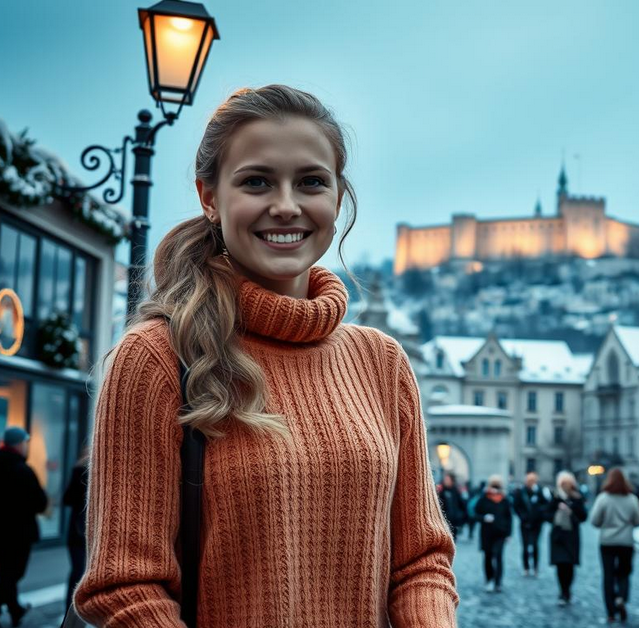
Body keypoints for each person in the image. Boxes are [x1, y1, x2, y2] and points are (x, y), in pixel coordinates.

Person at [73, 85, 458, 626]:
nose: (285, 205)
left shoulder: (382, 362)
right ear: (210, 197)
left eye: (311, 182)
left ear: (338, 198)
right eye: (256, 181)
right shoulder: (157, 356)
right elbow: (126, 584)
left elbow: (420, 560)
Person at [0, 427, 47, 628]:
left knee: (5, 574)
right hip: (19, 533)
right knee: (12, 575)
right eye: (25, 443)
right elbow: (40, 503)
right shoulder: (23, 470)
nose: (26, 447)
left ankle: (15, 609)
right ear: (18, 444)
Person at [590, 468, 639, 623]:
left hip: (607, 541)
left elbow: (594, 521)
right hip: (626, 542)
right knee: (624, 573)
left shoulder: (603, 498)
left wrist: (606, 523)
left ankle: (611, 612)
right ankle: (621, 597)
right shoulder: (632, 499)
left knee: (608, 575)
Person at [546, 470, 587, 605]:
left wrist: (571, 511)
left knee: (569, 565)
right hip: (558, 536)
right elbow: (546, 514)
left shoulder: (577, 498)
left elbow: (583, 516)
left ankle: (567, 590)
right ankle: (562, 592)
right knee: (560, 565)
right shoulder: (555, 497)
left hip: (571, 536)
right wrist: (557, 511)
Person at [475, 475, 513, 592]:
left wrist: (509, 534)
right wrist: (484, 518)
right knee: (487, 557)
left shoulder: (505, 500)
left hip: (500, 533)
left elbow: (509, 517)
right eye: (493, 486)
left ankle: (498, 582)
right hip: (487, 533)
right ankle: (489, 579)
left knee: (498, 556)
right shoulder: (484, 498)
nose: (495, 489)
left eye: (497, 487)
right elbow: (475, 514)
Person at [62, 449, 90, 610]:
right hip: (85, 530)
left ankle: (71, 610)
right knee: (81, 571)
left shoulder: (79, 470)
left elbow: (67, 499)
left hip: (78, 530)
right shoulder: (84, 471)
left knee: (77, 571)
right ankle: (75, 609)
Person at [512, 471, 550, 576]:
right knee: (525, 546)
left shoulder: (540, 491)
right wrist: (522, 516)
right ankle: (526, 567)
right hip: (525, 523)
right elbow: (516, 506)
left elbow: (546, 505)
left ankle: (535, 567)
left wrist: (540, 513)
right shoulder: (521, 492)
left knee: (535, 545)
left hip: (537, 523)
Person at [437, 472, 467, 538]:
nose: (446, 481)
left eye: (447, 479)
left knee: (453, 540)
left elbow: (462, 505)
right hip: (443, 522)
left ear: (452, 480)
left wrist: (461, 519)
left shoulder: (456, 491)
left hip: (454, 522)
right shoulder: (441, 491)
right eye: (445, 479)